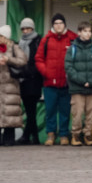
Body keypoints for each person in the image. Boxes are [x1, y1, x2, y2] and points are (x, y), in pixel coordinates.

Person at [35, 14, 76, 146]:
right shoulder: (46, 39)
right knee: (50, 110)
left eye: (61, 23)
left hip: (66, 83)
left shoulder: (72, 38)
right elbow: (39, 58)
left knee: (65, 110)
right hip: (49, 83)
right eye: (56, 23)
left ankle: (64, 135)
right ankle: (50, 135)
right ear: (52, 25)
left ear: (65, 24)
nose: (58, 25)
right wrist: (46, 72)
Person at [64, 22, 92, 146]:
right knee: (78, 112)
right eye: (85, 31)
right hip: (77, 87)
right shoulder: (72, 48)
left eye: (89, 31)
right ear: (79, 32)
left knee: (90, 112)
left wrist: (91, 81)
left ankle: (88, 135)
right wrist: (82, 81)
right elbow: (69, 68)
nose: (88, 34)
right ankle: (75, 135)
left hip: (91, 87)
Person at [16, 18, 43, 145]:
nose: (26, 31)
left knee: (31, 109)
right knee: (29, 109)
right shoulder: (19, 42)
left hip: (35, 79)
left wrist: (30, 71)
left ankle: (32, 137)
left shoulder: (38, 41)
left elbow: (40, 59)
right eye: (24, 29)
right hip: (23, 80)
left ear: (32, 28)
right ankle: (29, 136)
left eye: (28, 28)